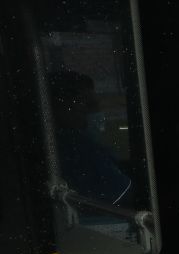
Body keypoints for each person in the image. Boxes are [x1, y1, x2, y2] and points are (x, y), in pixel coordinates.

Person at [47, 70, 132, 205]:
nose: (97, 113)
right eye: (89, 105)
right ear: (62, 105)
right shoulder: (77, 148)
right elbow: (122, 194)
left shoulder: (76, 145)